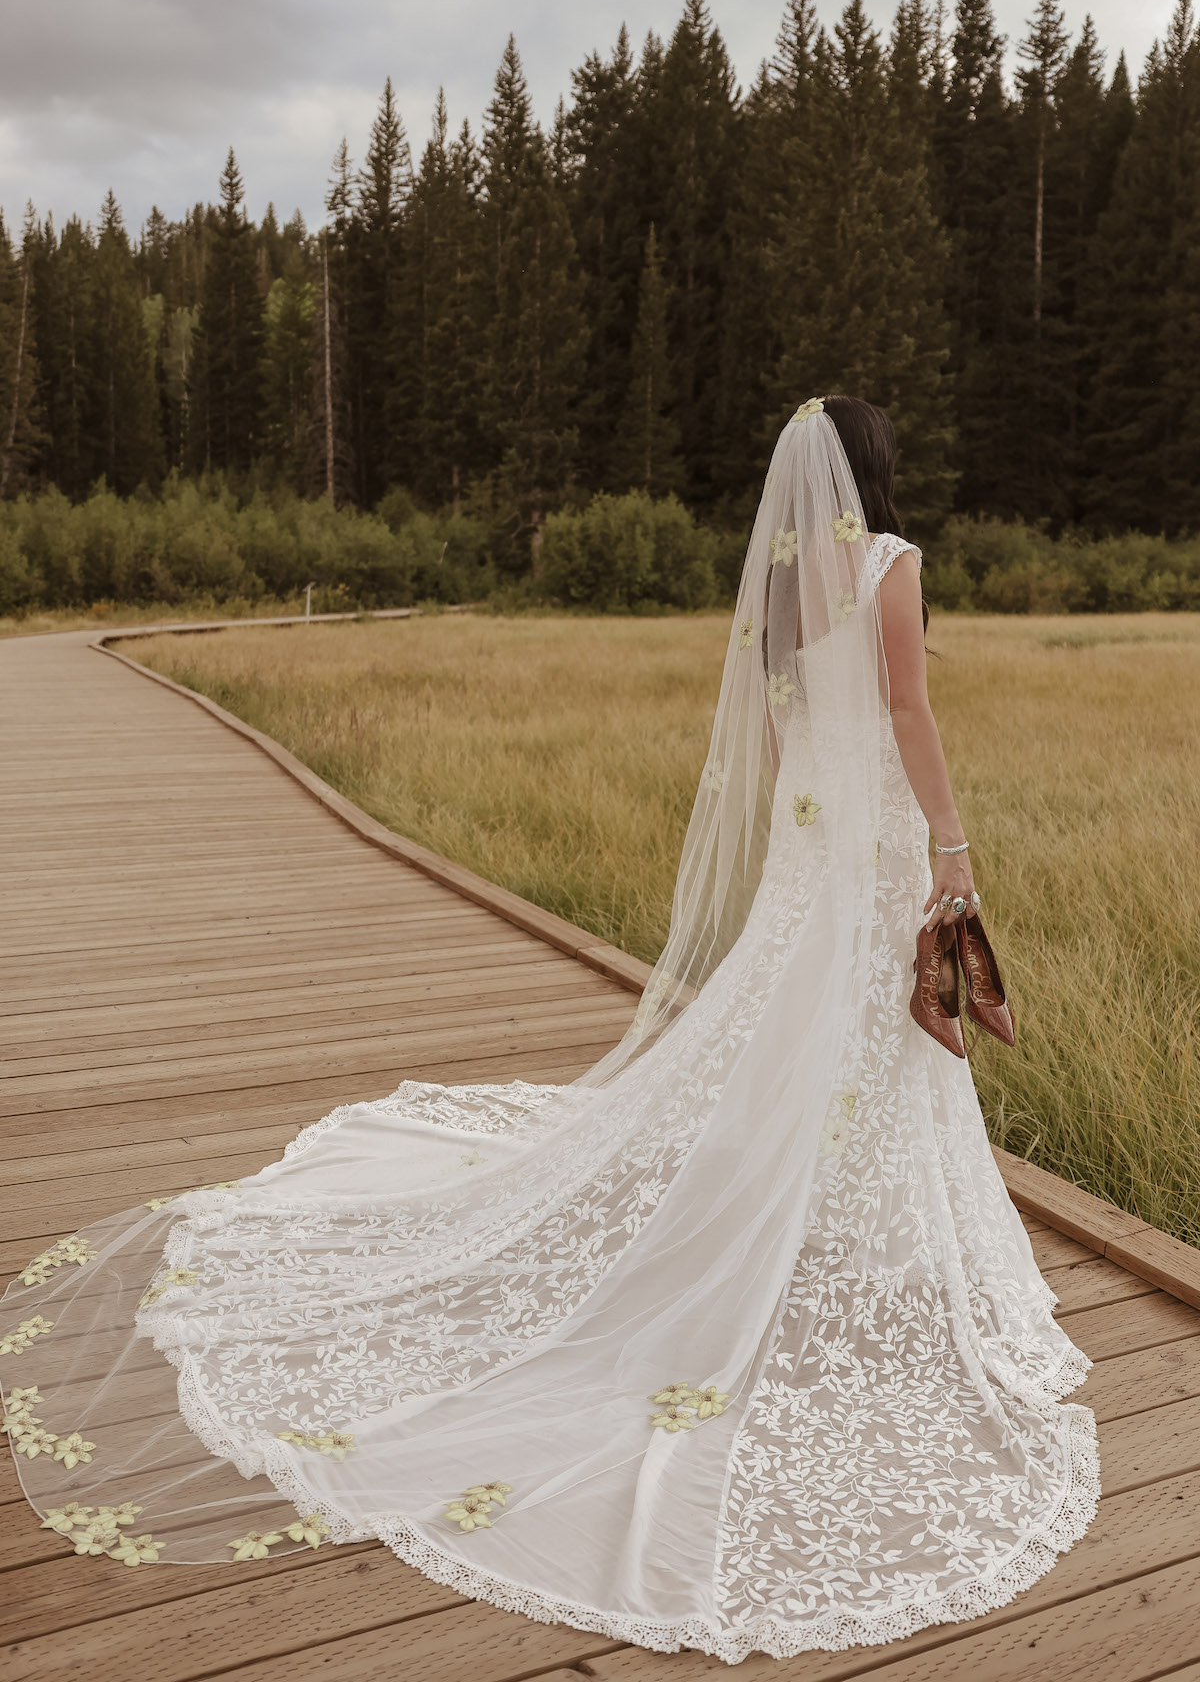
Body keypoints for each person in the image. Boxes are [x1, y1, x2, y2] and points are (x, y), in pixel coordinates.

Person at [1, 398, 1098, 1662]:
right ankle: (849, 1227)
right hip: (877, 830)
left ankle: (803, 1207)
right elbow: (910, 712)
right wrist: (947, 845)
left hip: (816, 834)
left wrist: (819, 827)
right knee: (873, 1035)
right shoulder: (894, 565)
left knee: (801, 1021)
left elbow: (790, 715)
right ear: (878, 471)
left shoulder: (787, 579)